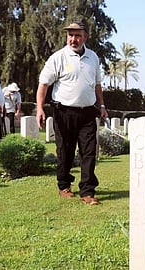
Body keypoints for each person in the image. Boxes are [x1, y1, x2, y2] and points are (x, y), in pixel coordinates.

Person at [35, 20, 108, 205]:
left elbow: (97, 84)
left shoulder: (93, 57)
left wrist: (102, 106)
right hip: (64, 112)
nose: (73, 39)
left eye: (77, 35)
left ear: (85, 37)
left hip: (87, 113)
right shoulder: (58, 57)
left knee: (89, 152)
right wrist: (40, 108)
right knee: (65, 151)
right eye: (70, 35)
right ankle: (64, 185)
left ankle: (87, 191)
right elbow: (44, 84)